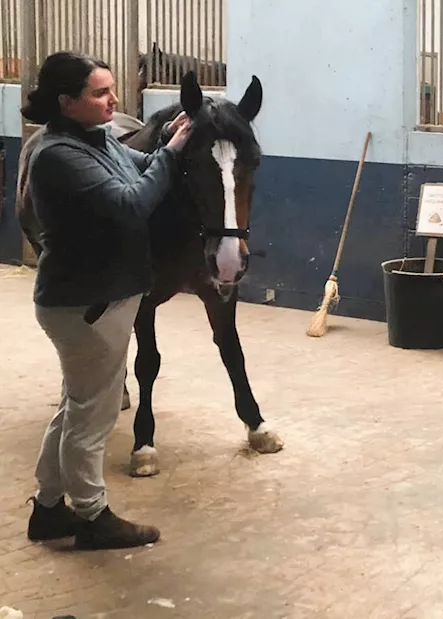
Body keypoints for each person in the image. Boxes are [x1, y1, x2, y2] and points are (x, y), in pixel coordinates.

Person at [22, 51, 192, 550]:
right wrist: (169, 155)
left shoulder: (94, 139)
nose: (113, 100)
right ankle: (93, 516)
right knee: (92, 419)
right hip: (87, 306)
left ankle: (50, 508)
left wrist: (170, 139)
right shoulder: (56, 153)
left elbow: (140, 164)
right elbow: (131, 202)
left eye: (111, 89)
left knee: (75, 407)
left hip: (101, 301)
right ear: (66, 102)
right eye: (100, 93)